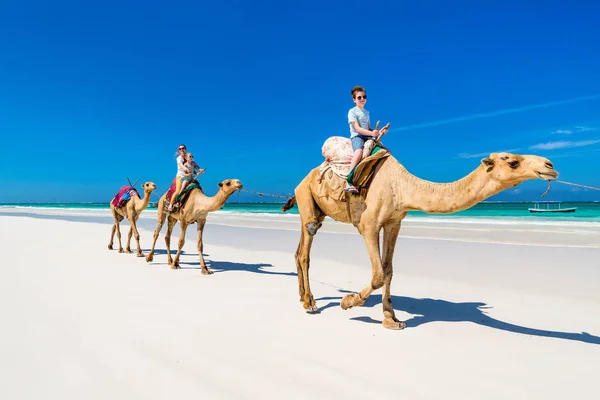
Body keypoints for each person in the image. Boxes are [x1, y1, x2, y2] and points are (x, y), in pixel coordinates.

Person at [345, 85, 388, 193]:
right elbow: (357, 128)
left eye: (364, 97)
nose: (362, 99)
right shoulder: (352, 112)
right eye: (359, 97)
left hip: (367, 135)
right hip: (357, 136)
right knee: (359, 153)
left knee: (382, 151)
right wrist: (371, 133)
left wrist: (379, 132)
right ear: (354, 99)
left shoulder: (366, 112)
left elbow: (369, 128)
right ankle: (348, 181)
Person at [168, 144, 189, 212]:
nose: (181, 150)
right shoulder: (179, 158)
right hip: (180, 176)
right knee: (177, 191)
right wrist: (185, 169)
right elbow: (181, 166)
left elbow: (193, 163)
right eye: (180, 149)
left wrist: (199, 170)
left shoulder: (188, 157)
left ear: (185, 149)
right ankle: (171, 204)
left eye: (183, 148)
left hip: (188, 176)